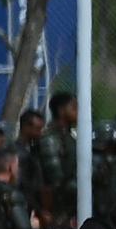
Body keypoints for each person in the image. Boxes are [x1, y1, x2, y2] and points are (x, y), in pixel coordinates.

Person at [39, 92, 80, 221]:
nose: (78, 111)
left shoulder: (69, 137)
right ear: (61, 110)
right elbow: (55, 179)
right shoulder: (51, 138)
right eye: (74, 107)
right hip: (58, 205)